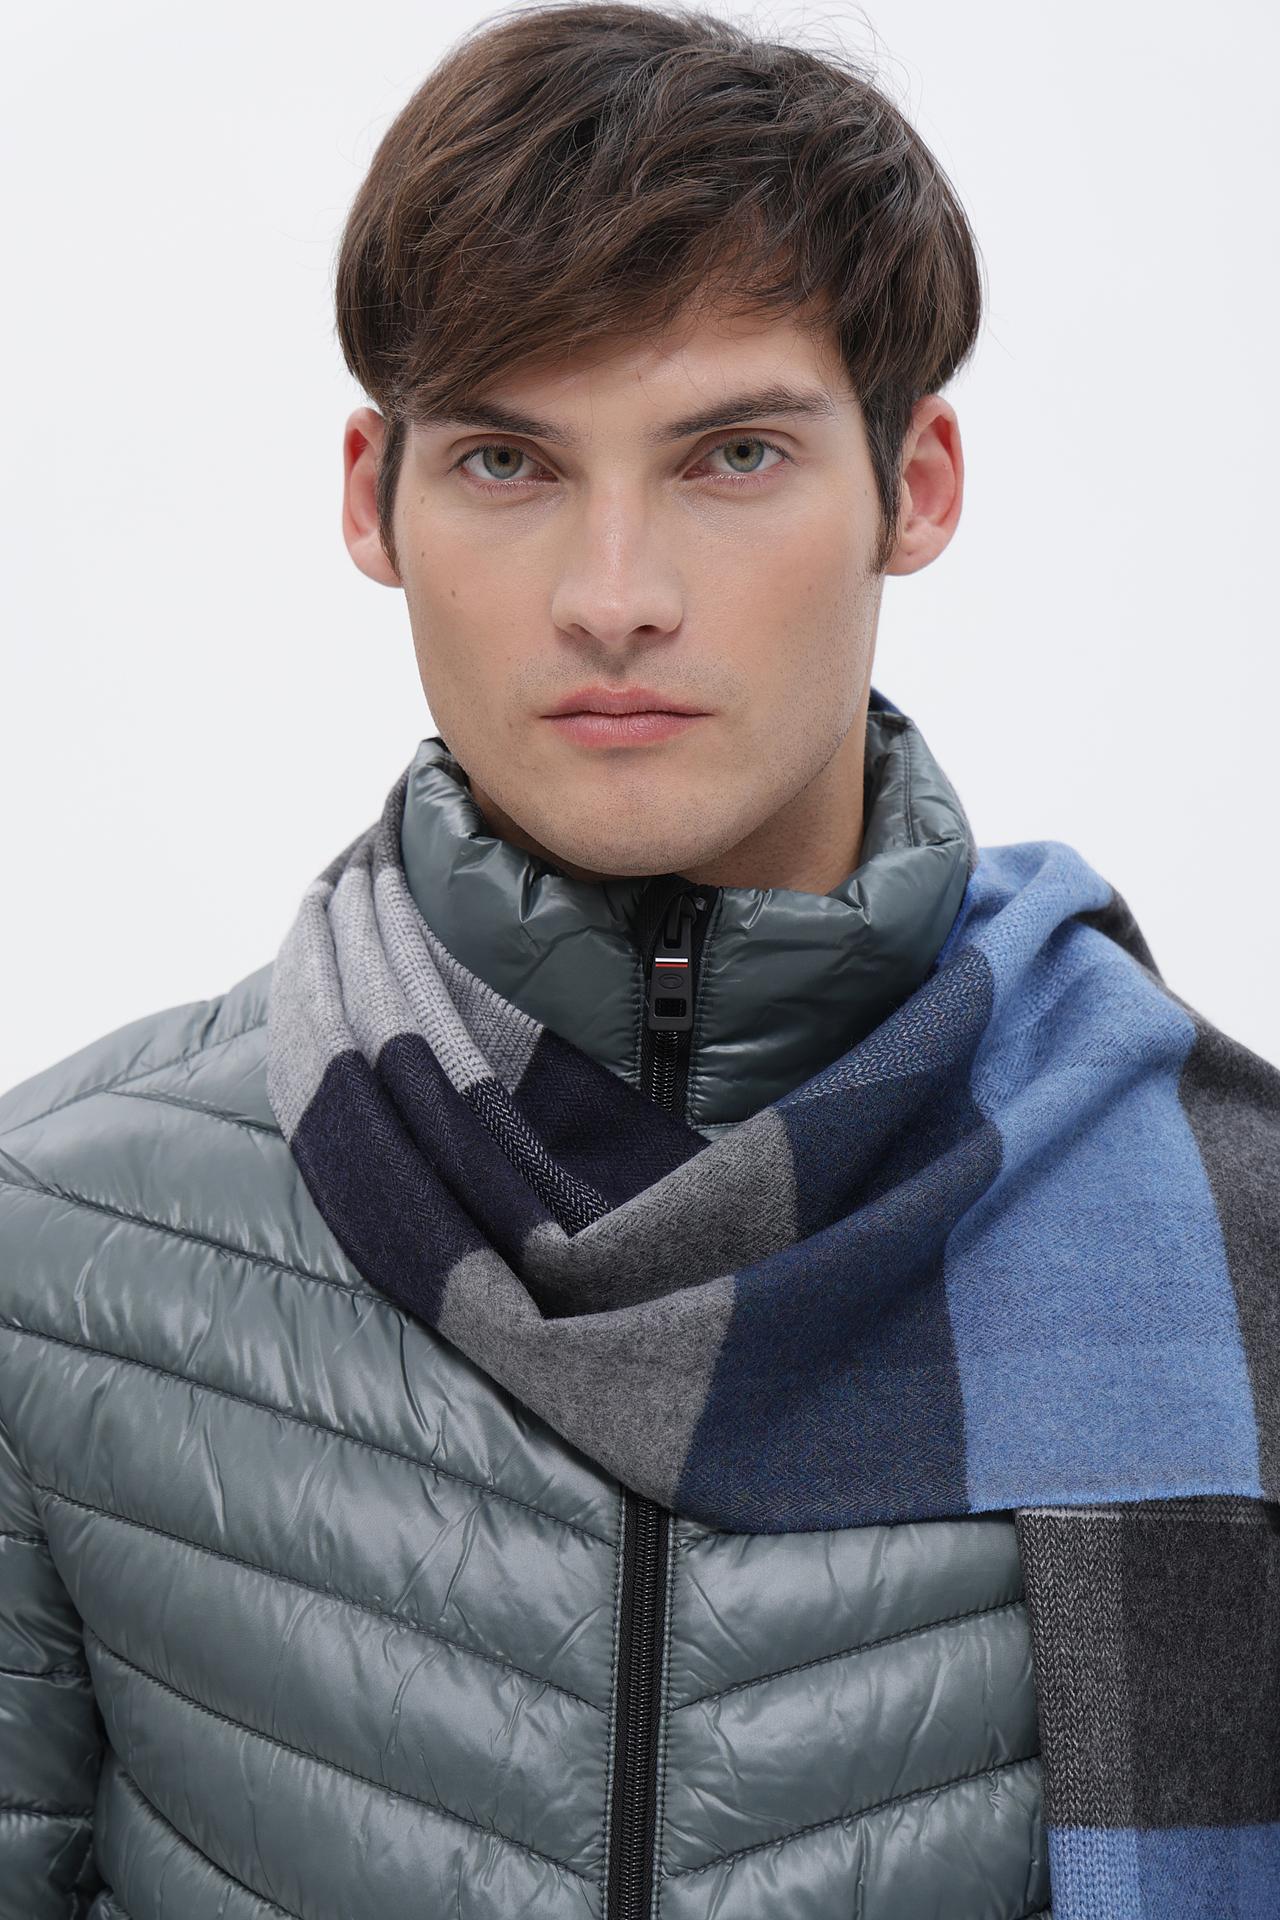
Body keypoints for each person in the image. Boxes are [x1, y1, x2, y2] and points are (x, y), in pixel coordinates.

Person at [3, 4, 1278, 1917]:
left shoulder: (1234, 1233)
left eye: (734, 455)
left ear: (918, 485)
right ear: (371, 497)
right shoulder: (52, 1251)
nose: (615, 597)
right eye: (508, 462)